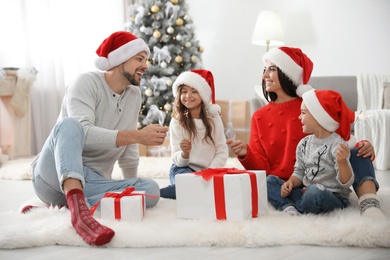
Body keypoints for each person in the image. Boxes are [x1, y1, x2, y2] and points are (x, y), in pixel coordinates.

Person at [22, 31, 168, 246]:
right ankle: (80, 215)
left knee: (150, 189)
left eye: (146, 60)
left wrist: (130, 192)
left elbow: (128, 150)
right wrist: (138, 135)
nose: (145, 65)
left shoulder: (134, 95)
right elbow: (85, 134)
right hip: (53, 176)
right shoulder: (85, 83)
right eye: (139, 59)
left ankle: (68, 208)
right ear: (119, 60)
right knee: (70, 124)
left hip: (94, 182)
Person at [227, 46, 385, 219]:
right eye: (264, 70)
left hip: (321, 183)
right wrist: (246, 154)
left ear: (288, 73)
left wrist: (362, 144)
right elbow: (262, 169)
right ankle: (293, 206)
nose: (264, 76)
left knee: (358, 152)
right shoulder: (259, 117)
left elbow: (340, 132)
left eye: (271, 69)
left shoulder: (312, 104)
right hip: (287, 185)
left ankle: (369, 204)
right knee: (267, 182)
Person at [267, 89, 355, 216]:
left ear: (319, 117)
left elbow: (347, 182)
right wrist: (290, 182)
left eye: (303, 113)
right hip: (306, 192)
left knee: (314, 192)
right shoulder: (304, 144)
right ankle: (289, 208)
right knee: (270, 181)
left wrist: (342, 162)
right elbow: (299, 172)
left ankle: (297, 206)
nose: (299, 117)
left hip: (332, 197)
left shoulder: (337, 145)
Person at [160, 69, 229, 199]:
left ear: (202, 95)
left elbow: (222, 151)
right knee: (191, 185)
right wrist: (185, 154)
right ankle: (157, 193)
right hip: (183, 169)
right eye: (184, 91)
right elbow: (176, 158)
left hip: (209, 170)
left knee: (209, 190)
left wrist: (209, 173)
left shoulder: (214, 119)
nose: (188, 96)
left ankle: (189, 189)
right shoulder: (177, 122)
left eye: (194, 91)